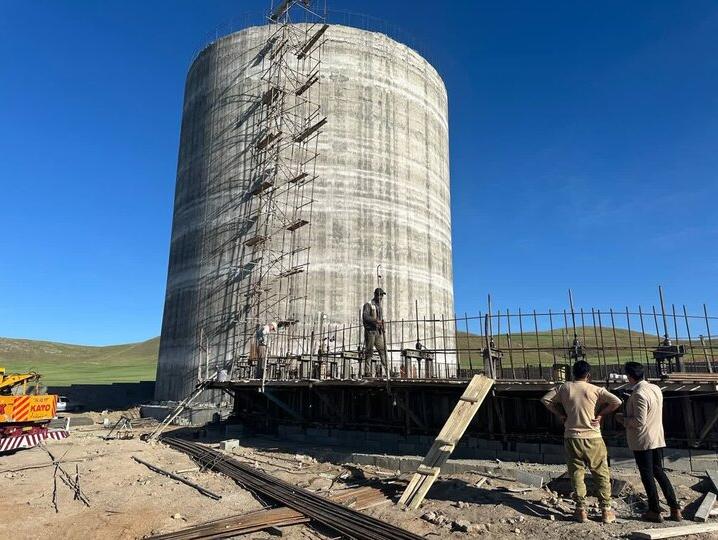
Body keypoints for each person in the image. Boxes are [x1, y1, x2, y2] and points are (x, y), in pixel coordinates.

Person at [541, 360, 622, 523]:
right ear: (588, 375)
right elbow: (617, 401)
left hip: (572, 437)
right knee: (601, 473)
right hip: (593, 438)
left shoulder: (564, 388)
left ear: (573, 373)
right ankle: (606, 510)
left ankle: (580, 510)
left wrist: (561, 414)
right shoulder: (596, 389)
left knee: (576, 474)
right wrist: (601, 415)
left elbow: (546, 400)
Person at [616, 362, 682, 523]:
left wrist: (623, 419)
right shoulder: (655, 388)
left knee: (647, 475)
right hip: (656, 437)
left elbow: (639, 421)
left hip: (643, 440)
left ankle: (654, 510)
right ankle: (674, 508)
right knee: (659, 472)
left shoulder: (639, 394)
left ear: (629, 376)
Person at [361, 288, 387, 377]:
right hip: (370, 331)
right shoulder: (368, 305)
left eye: (382, 295)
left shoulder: (379, 307)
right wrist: (376, 321)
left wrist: (382, 326)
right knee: (369, 351)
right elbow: (365, 317)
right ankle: (367, 371)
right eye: (379, 295)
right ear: (375, 295)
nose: (381, 297)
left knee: (383, 350)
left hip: (378, 332)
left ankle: (387, 371)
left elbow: (380, 319)